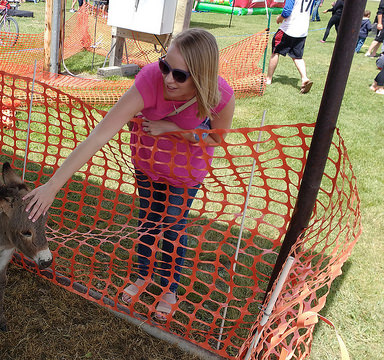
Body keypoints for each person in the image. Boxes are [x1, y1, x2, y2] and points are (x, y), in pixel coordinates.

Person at [23, 28, 235, 321]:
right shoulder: (149, 80)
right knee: (148, 222)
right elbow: (98, 137)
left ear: (201, 76)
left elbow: (216, 140)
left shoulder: (221, 95)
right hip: (148, 165)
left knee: (173, 228)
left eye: (180, 75)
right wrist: (53, 185)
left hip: (186, 173)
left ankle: (169, 289)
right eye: (165, 66)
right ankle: (143, 276)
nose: (168, 79)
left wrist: (174, 130)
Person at [265, 0, 314, 93]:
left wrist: (279, 18)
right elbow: (310, 11)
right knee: (297, 57)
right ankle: (304, 78)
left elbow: (287, 11)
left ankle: (268, 79)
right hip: (302, 30)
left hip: (288, 29)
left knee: (276, 52)